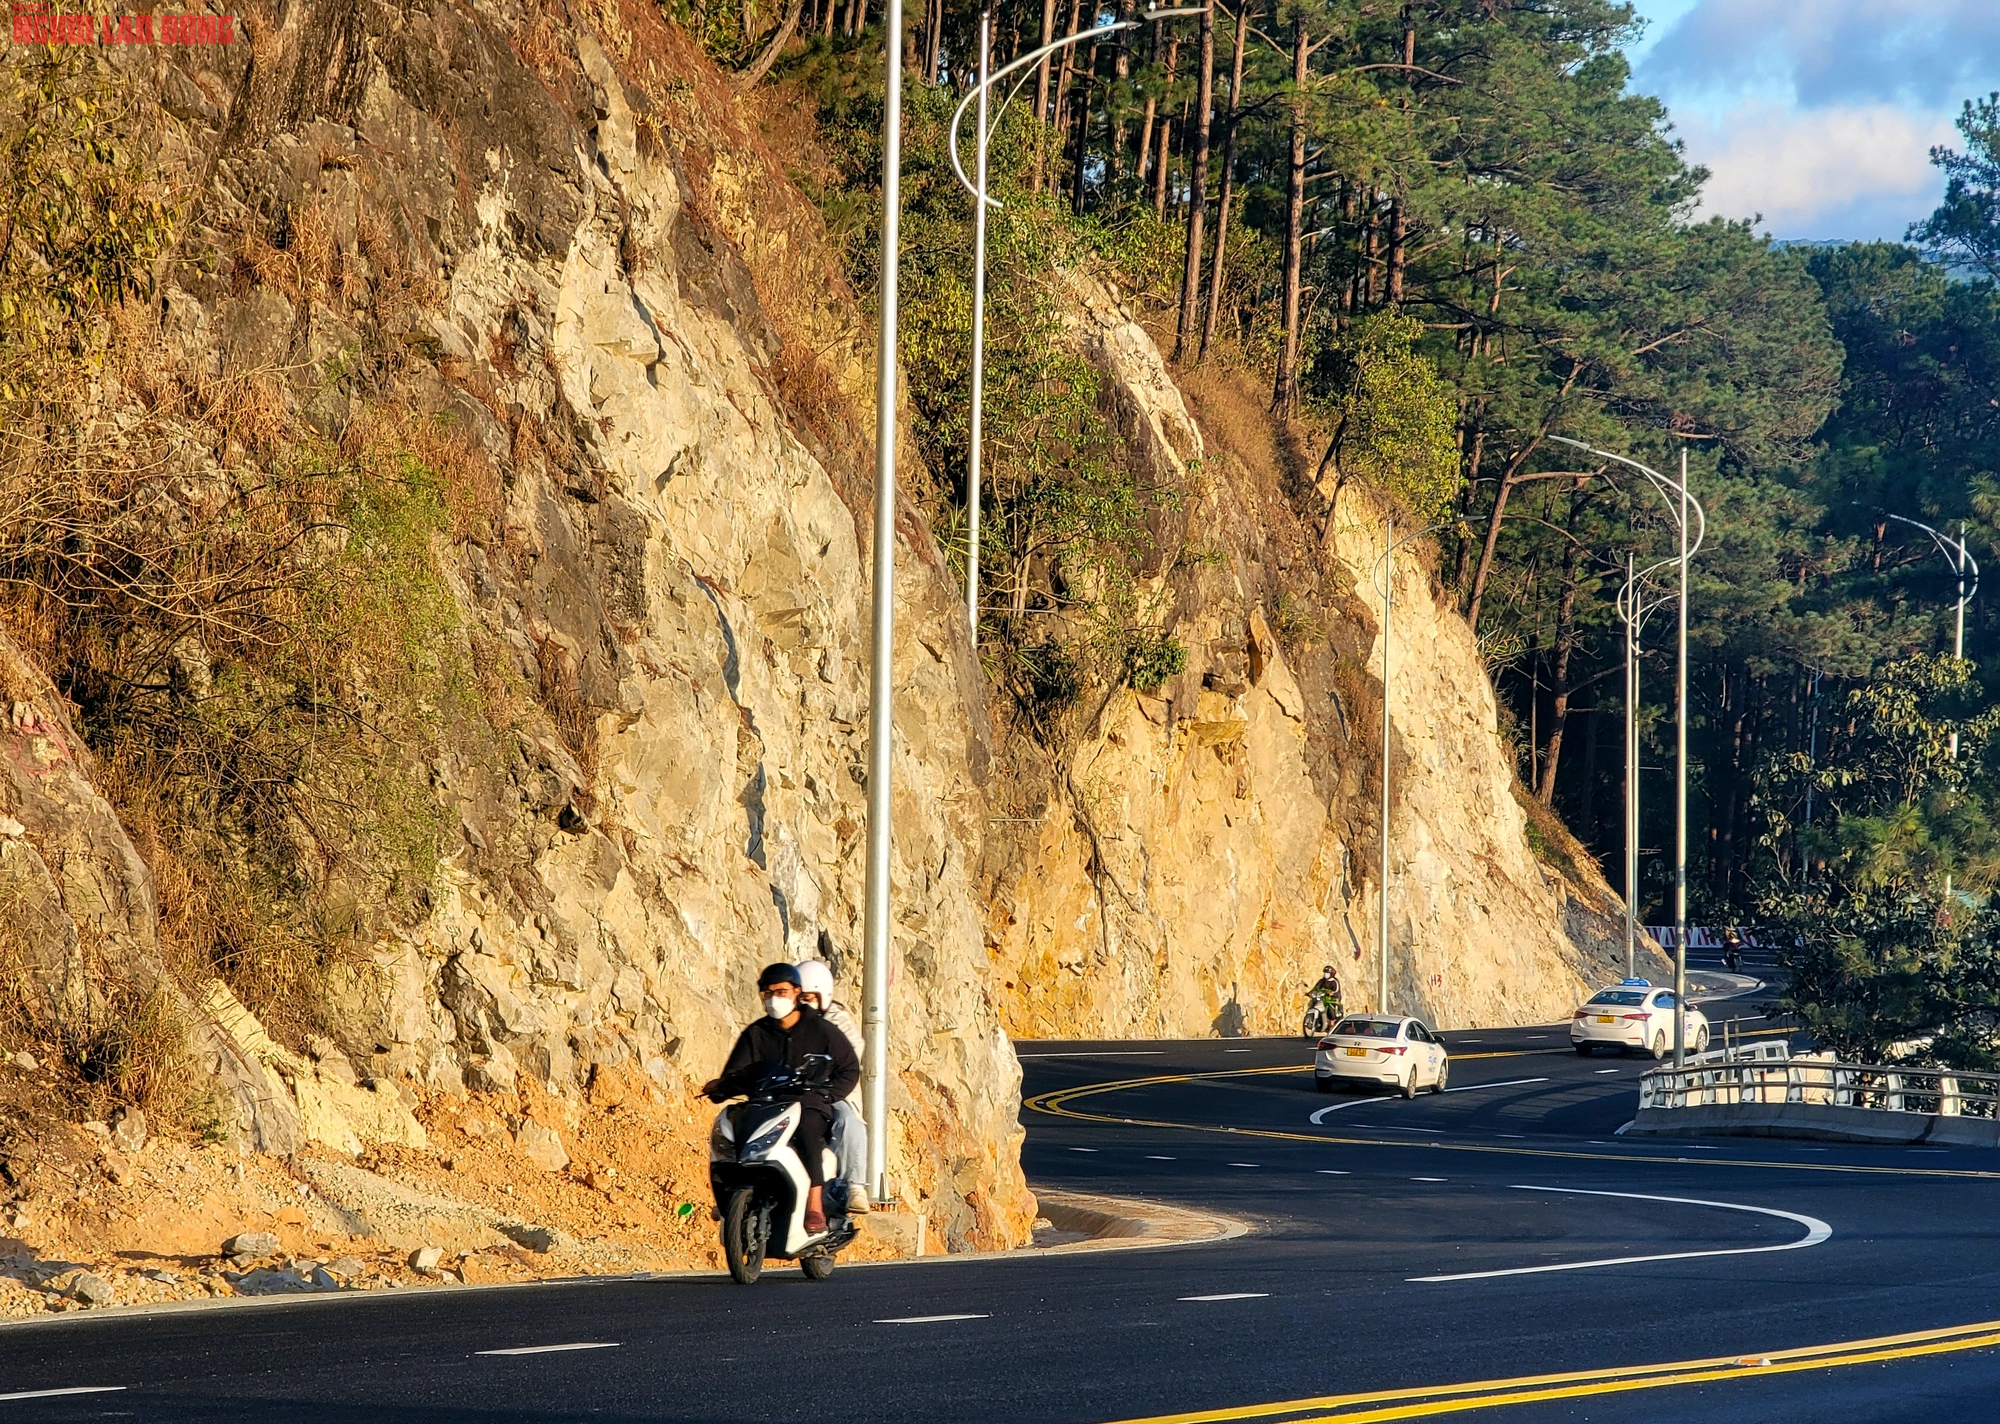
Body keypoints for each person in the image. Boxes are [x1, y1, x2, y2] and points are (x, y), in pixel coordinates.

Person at [701, 962, 858, 1234]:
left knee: (808, 1125)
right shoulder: (756, 1033)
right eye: (768, 992)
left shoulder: (822, 1031)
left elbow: (849, 1068)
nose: (775, 998)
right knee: (732, 1126)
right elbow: (736, 1073)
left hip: (808, 1104)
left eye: (782, 991)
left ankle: (815, 1202)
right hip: (766, 1104)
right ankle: (729, 1199)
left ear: (797, 992)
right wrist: (720, 1088)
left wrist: (827, 1093)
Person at [796, 958, 871, 1214]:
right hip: (792, 1092)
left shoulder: (838, 1022)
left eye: (809, 997)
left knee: (847, 1120)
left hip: (831, 1093)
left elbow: (853, 1051)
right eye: (800, 997)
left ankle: (853, 1186)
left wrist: (823, 1071)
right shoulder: (784, 1023)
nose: (804, 1003)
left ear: (822, 995)